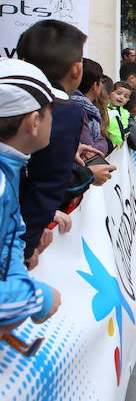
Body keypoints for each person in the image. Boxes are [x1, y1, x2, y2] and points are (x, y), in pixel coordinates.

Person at [17, 20, 113, 269]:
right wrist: (26, 249)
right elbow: (46, 184)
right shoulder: (64, 110)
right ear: (76, 70)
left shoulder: (18, 98)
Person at [0, 59, 66, 336]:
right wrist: (39, 298)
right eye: (51, 111)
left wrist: (15, 272)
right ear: (33, 121)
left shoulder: (10, 166)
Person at [74, 58, 111, 155]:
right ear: (95, 85)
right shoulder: (79, 110)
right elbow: (89, 151)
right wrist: (104, 143)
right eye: (101, 80)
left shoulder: (91, 109)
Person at [107, 82, 133, 148]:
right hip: (109, 146)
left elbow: (126, 129)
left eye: (125, 96)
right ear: (110, 93)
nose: (121, 97)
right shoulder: (104, 109)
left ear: (128, 100)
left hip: (119, 147)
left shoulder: (126, 113)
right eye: (118, 93)